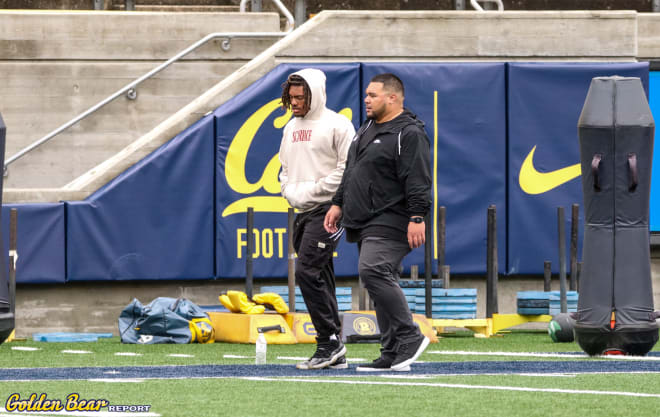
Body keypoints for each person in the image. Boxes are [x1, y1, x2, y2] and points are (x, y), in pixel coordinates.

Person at [324, 73, 431, 372]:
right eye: (366, 95)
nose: (366, 100)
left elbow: (419, 180)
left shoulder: (409, 133)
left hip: (394, 217)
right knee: (377, 277)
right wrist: (337, 202)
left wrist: (417, 216)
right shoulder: (368, 127)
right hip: (365, 218)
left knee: (373, 269)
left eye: (372, 95)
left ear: (392, 98)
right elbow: (352, 169)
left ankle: (409, 335)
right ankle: (392, 351)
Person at [278, 68, 356, 370]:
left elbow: (348, 169)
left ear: (315, 94)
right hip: (302, 210)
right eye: (292, 97)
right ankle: (336, 349)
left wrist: (312, 190)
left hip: (330, 209)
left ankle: (328, 342)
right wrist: (291, 191)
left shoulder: (338, 124)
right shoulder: (290, 127)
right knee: (321, 275)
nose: (295, 103)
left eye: (300, 97)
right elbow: (284, 168)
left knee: (307, 271)